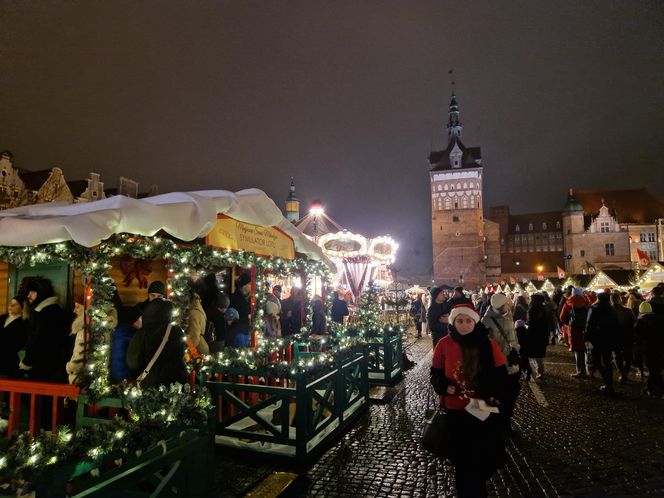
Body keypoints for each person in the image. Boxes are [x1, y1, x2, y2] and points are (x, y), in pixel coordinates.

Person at [431, 303, 507, 498]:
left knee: (482, 454)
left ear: (474, 321)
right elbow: (436, 372)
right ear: (453, 322)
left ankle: (477, 486)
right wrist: (443, 386)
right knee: (462, 459)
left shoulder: (487, 343)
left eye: (468, 321)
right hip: (455, 409)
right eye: (459, 321)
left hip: (482, 406)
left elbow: (500, 374)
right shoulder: (444, 344)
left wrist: (489, 390)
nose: (464, 325)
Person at [481, 292, 520, 434]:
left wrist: (516, 349)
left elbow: (513, 336)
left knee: (512, 393)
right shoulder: (486, 322)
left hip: (512, 364)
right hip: (498, 366)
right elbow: (486, 346)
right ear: (499, 306)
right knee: (499, 396)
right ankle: (498, 424)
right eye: (506, 303)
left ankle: (506, 420)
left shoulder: (508, 314)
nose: (508, 305)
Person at [126, 299, 188, 388]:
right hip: (177, 384)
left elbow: (133, 362)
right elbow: (181, 355)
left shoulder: (143, 333)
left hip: (151, 384)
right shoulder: (177, 331)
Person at [19, 277, 69, 382]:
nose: (29, 296)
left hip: (42, 366)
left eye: (32, 292)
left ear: (41, 293)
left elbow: (38, 340)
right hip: (51, 366)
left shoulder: (44, 314)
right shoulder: (52, 310)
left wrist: (27, 362)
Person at [585, 290, 621, 395]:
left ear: (598, 298)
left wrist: (587, 337)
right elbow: (617, 325)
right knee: (607, 362)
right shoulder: (611, 309)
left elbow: (589, 324)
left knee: (596, 361)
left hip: (597, 339)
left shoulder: (594, 308)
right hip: (609, 339)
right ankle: (609, 384)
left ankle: (608, 383)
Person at [634, 301, 664, 397]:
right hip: (659, 347)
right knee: (657, 368)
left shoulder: (640, 322)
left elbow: (637, 337)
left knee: (652, 368)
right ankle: (658, 387)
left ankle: (651, 388)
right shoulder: (660, 319)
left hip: (647, 349)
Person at [560, 288, 590, 378]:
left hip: (574, 330)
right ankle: (589, 370)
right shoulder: (586, 301)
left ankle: (580, 371)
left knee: (578, 351)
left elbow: (562, 317)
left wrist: (568, 324)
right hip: (586, 329)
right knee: (586, 350)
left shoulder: (568, 302)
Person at [109, 306, 142, 384]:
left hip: (118, 376)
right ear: (134, 321)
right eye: (140, 318)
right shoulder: (128, 334)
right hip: (124, 378)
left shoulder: (121, 332)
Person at [0, 296, 28, 379]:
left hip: (9, 360)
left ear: (22, 308)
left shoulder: (24, 323)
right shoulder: (2, 318)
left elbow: (21, 342)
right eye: (11, 303)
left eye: (15, 304)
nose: (11, 306)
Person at [611, 290, 635, 384]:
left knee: (617, 355)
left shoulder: (608, 311)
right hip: (627, 336)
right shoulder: (627, 311)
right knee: (627, 355)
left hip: (614, 337)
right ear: (619, 300)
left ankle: (621, 372)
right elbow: (634, 323)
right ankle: (625, 372)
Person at [525, 294, 550, 380]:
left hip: (535, 335)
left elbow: (531, 323)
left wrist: (527, 331)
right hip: (542, 334)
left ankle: (540, 370)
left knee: (536, 354)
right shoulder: (543, 308)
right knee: (539, 353)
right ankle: (540, 369)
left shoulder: (533, 309)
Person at [185, 280, 210, 356]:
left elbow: (194, 339)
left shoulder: (193, 313)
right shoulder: (197, 306)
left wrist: (186, 352)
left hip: (197, 352)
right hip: (200, 349)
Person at [65, 298, 86, 385]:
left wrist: (69, 367)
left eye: (77, 307)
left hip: (79, 377)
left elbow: (79, 355)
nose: (74, 311)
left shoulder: (83, 331)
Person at [230, 273, 252, 340]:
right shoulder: (236, 298)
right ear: (244, 286)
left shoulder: (247, 298)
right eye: (249, 284)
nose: (251, 286)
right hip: (239, 332)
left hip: (243, 330)